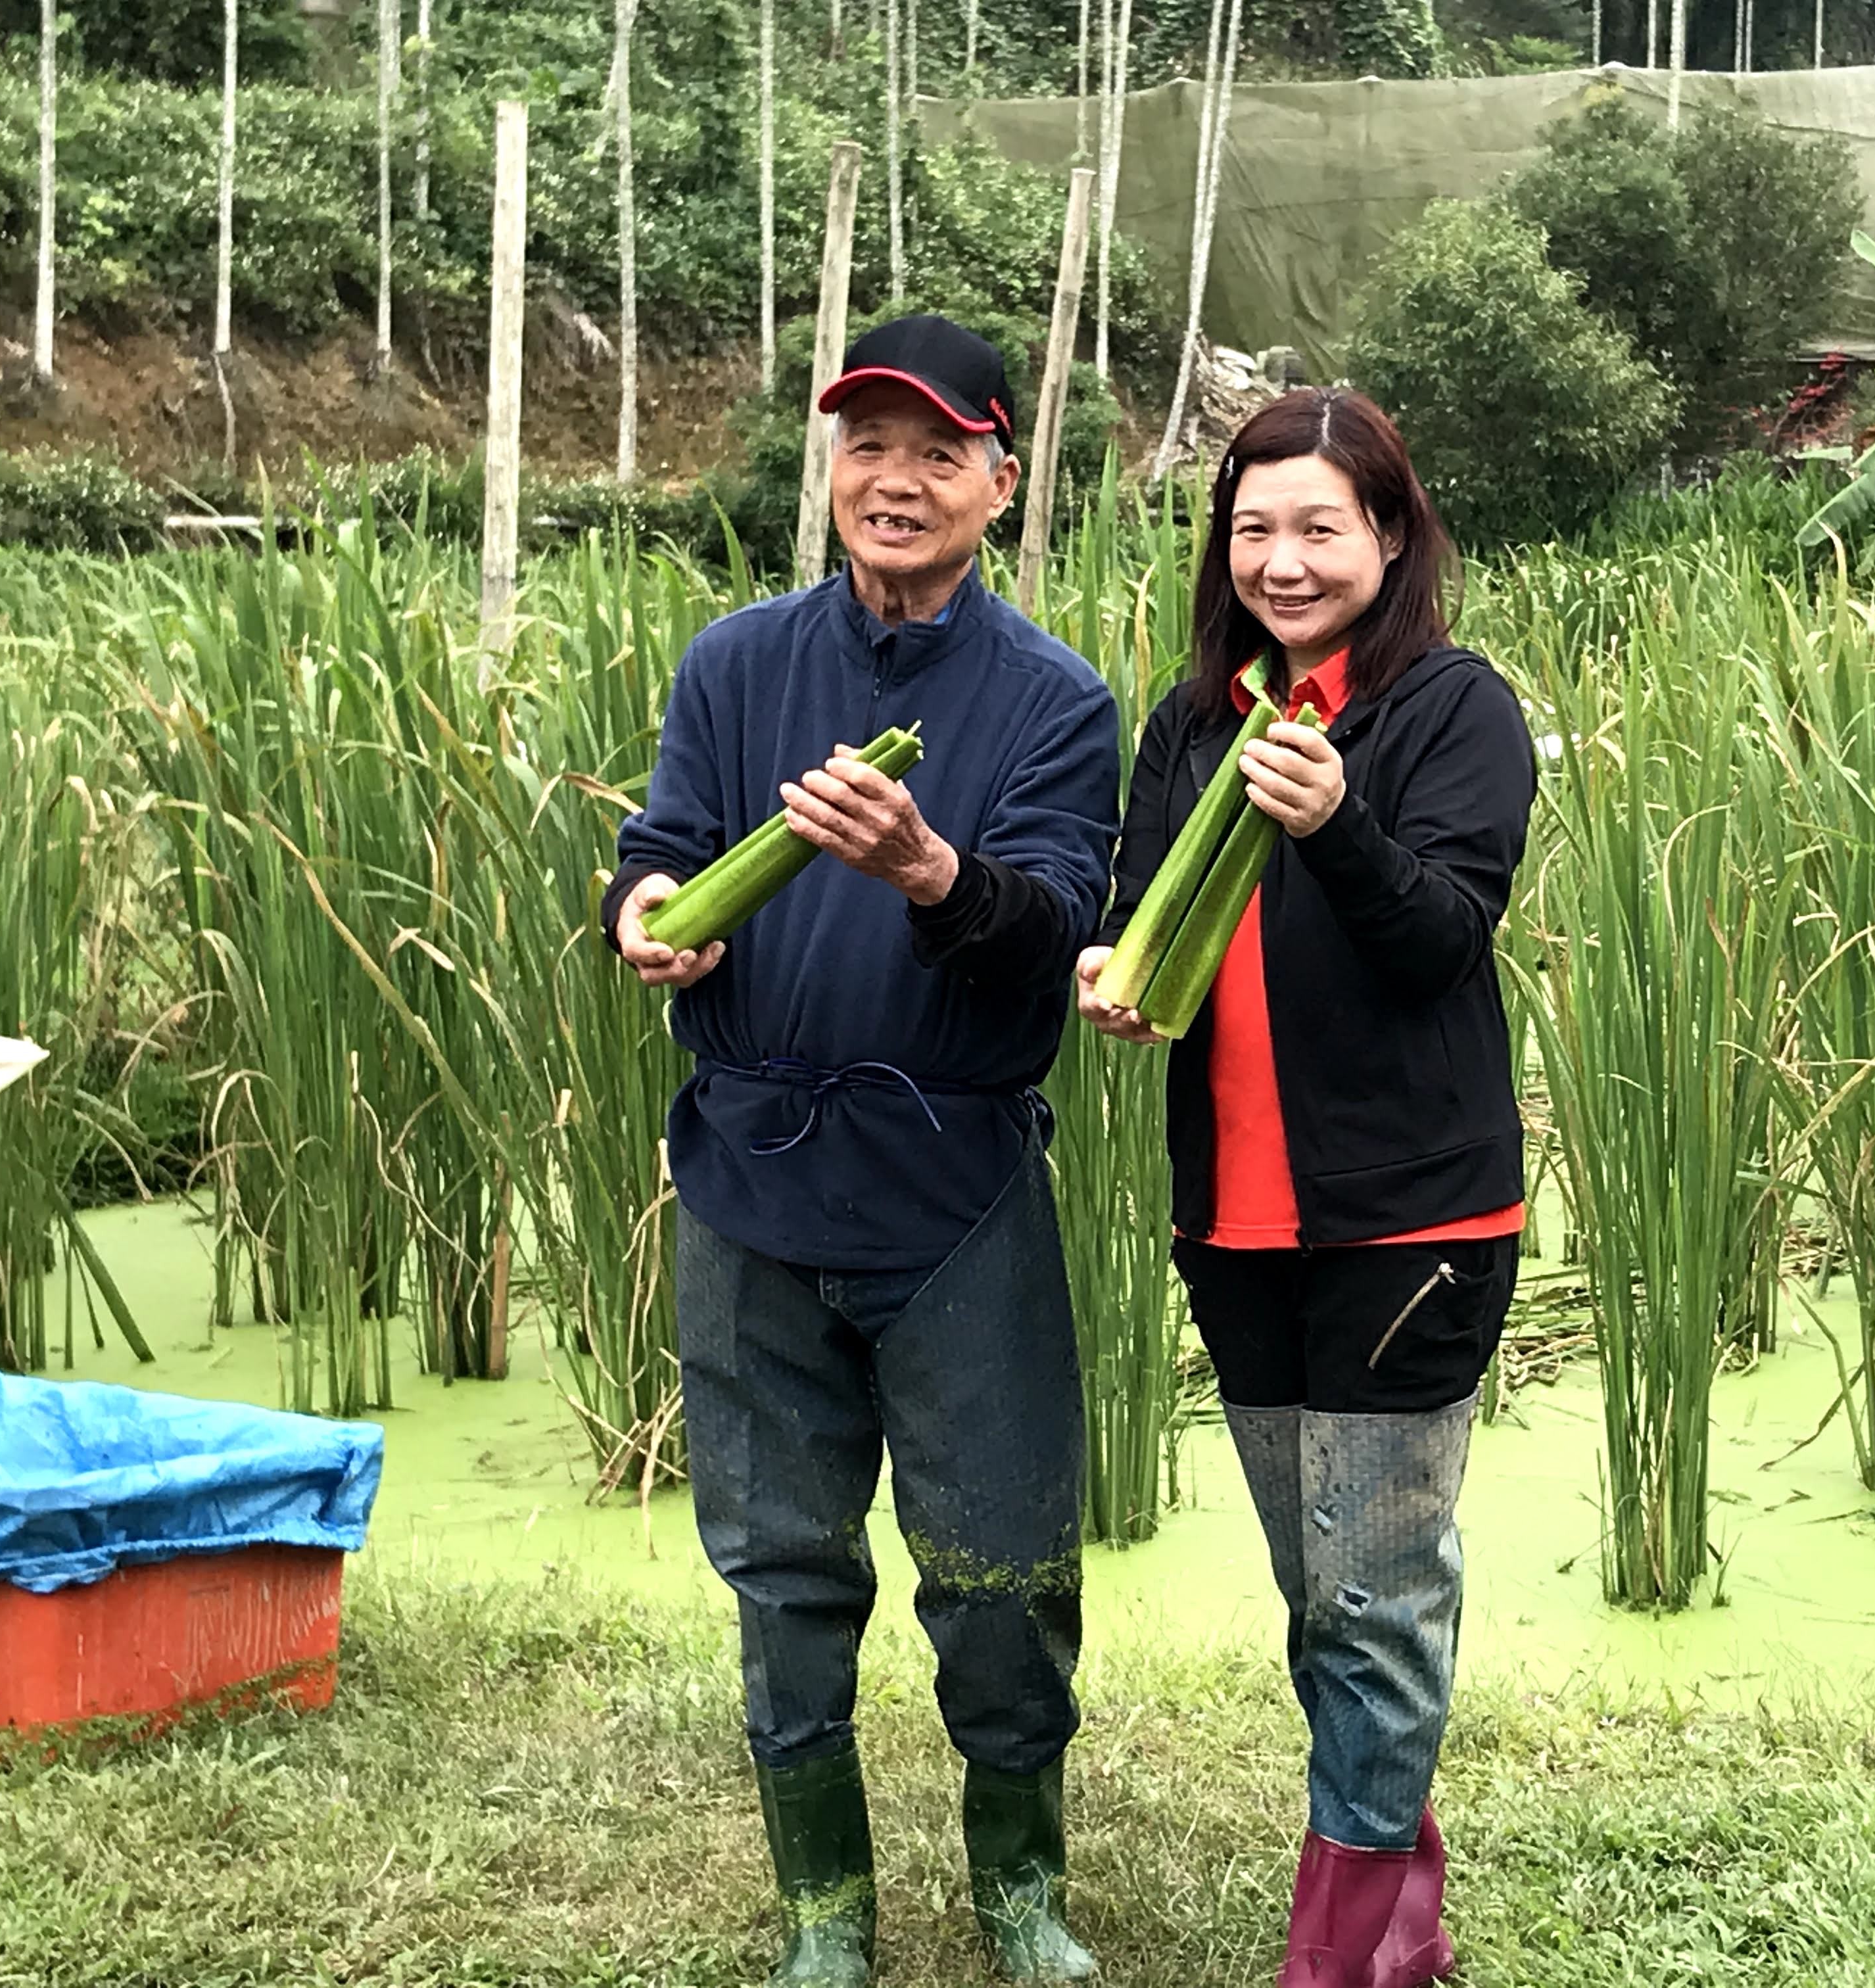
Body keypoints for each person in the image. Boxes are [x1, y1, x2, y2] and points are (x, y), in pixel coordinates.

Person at [607, 314, 1120, 1988]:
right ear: (831, 471)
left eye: (935, 452)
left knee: (999, 1568)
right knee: (779, 1559)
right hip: (751, 1175)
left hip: (953, 1188)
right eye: (865, 447)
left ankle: (1021, 1888)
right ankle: (825, 1910)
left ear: (998, 481)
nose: (894, 481)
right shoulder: (734, 663)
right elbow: (664, 845)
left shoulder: (1053, 702)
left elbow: (1045, 929)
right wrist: (643, 920)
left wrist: (923, 870)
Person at [1077, 388, 1534, 1988]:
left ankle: (1338, 1960)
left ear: (1389, 536)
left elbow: (1439, 941)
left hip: (1413, 1224)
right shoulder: (1197, 720)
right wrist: (1111, 967)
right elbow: (1140, 904)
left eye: (1320, 527)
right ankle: (1401, 1911)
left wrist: (1337, 821)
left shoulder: (1451, 711)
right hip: (1239, 1226)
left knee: (1378, 1592)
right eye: (1254, 527)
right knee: (1320, 1588)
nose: (1283, 560)